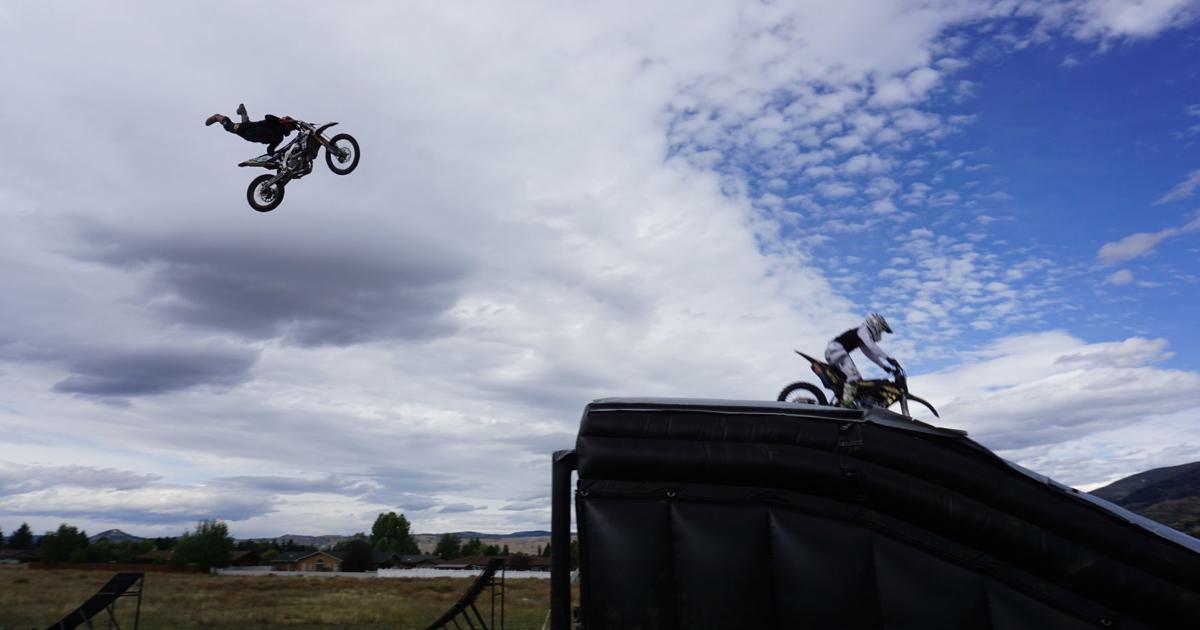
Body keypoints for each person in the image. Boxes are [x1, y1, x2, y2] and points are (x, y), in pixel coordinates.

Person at [825, 313, 901, 408]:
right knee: (854, 376)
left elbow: (870, 354)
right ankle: (846, 404)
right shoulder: (863, 330)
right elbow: (872, 346)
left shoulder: (862, 336)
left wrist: (884, 367)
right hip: (836, 350)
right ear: (876, 325)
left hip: (837, 352)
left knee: (855, 380)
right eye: (881, 330)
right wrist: (888, 358)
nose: (880, 333)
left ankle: (842, 401)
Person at [205, 104, 297, 156]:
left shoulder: (279, 138)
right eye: (290, 126)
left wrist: (271, 156)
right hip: (247, 128)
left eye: (291, 129)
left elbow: (271, 148)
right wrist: (280, 120)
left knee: (244, 124)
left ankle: (242, 112)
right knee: (229, 127)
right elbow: (267, 116)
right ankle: (217, 117)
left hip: (249, 136)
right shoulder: (275, 122)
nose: (290, 129)